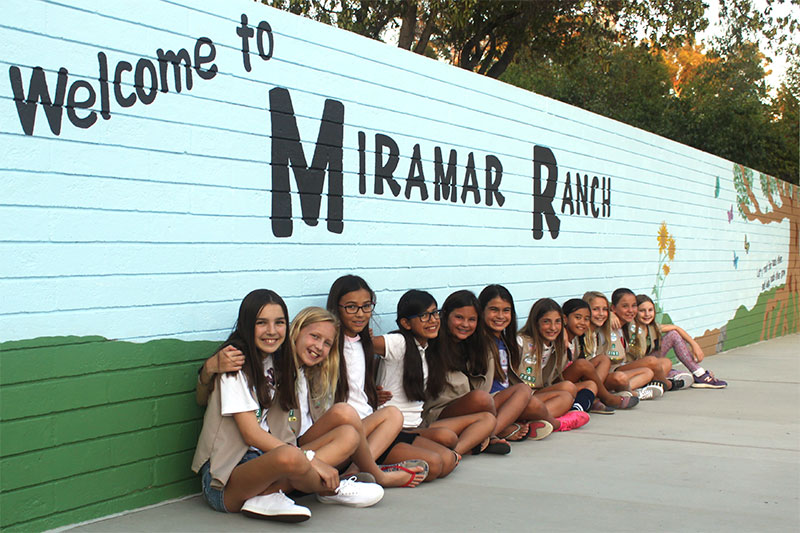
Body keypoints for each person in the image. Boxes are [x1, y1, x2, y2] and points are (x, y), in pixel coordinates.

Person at [190, 290, 380, 523]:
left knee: (348, 435)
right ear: (247, 324)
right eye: (262, 323)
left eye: (279, 322)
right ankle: (330, 489)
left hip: (270, 458)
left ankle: (271, 496)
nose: (272, 331)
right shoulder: (235, 364)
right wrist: (312, 459)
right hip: (228, 479)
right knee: (290, 458)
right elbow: (250, 433)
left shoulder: (279, 361)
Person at [325, 274, 428, 484]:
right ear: (337, 308)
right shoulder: (328, 344)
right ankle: (372, 473)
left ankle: (355, 471)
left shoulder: (363, 343)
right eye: (351, 307)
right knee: (432, 462)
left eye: (366, 306)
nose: (360, 314)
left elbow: (359, 386)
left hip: (368, 425)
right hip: (342, 429)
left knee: (394, 414)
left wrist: (373, 394)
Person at [373, 290, 497, 460]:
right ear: (406, 323)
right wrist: (369, 391)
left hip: (418, 425)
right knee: (446, 440)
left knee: (487, 420)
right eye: (424, 316)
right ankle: (455, 452)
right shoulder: (399, 342)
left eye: (434, 313)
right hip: (395, 427)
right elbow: (365, 345)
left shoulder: (426, 348)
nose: (432, 320)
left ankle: (454, 454)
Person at [426, 290, 554, 445]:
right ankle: (494, 432)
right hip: (439, 412)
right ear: (445, 315)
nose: (465, 324)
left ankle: (489, 433)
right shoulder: (433, 343)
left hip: (473, 410)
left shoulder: (472, 345)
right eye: (459, 318)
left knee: (524, 390)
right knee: (483, 398)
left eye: (472, 319)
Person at [478, 285, 588, 431]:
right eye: (494, 310)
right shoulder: (484, 342)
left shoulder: (505, 341)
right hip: (494, 401)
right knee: (531, 401)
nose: (500, 316)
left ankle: (522, 424)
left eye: (506, 310)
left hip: (513, 398)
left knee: (565, 396)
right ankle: (556, 424)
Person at [560, 298, 639, 413]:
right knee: (582, 364)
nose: (582, 322)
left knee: (602, 361)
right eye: (578, 318)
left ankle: (595, 398)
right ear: (565, 319)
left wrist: (611, 315)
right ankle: (607, 398)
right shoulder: (561, 335)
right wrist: (562, 329)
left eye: (586, 319)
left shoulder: (579, 337)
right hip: (558, 383)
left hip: (575, 381)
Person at [634, 294, 727, 388]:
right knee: (668, 368)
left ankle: (697, 374)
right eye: (642, 311)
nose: (647, 314)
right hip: (637, 367)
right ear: (635, 311)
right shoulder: (631, 329)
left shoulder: (653, 327)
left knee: (673, 335)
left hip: (653, 362)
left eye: (650, 310)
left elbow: (676, 328)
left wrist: (694, 345)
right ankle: (674, 377)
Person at [581, 291, 656, 398]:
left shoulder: (605, 327)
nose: (601, 313)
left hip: (606, 375)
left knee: (647, 372)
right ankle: (628, 393)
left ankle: (626, 392)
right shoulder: (583, 331)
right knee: (619, 376)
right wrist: (611, 314)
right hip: (591, 378)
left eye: (605, 310)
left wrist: (611, 315)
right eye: (596, 309)